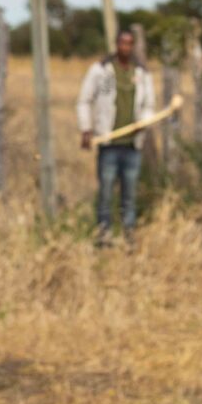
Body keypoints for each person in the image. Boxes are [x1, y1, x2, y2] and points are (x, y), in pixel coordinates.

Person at [76, 30, 156, 246]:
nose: (125, 47)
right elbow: (85, 100)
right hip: (109, 143)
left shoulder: (141, 73)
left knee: (129, 194)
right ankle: (104, 234)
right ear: (116, 44)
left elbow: (149, 105)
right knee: (106, 191)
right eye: (122, 43)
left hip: (132, 145)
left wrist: (144, 123)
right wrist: (86, 129)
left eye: (129, 43)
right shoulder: (102, 72)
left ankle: (129, 235)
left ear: (133, 46)